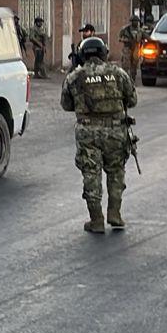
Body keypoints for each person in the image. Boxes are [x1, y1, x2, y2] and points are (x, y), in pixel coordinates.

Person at [60, 36, 137, 234]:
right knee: (116, 171)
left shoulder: (75, 76)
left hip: (88, 132)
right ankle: (115, 214)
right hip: (116, 130)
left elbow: (66, 105)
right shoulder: (118, 73)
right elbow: (133, 99)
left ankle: (96, 220)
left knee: (91, 174)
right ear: (104, 53)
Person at [118, 16, 146, 80]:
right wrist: (126, 40)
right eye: (135, 21)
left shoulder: (140, 30)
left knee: (134, 65)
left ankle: (133, 79)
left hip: (136, 48)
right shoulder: (125, 29)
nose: (136, 23)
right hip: (127, 48)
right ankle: (125, 79)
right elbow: (119, 38)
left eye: (137, 21)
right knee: (126, 65)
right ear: (131, 22)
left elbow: (145, 37)